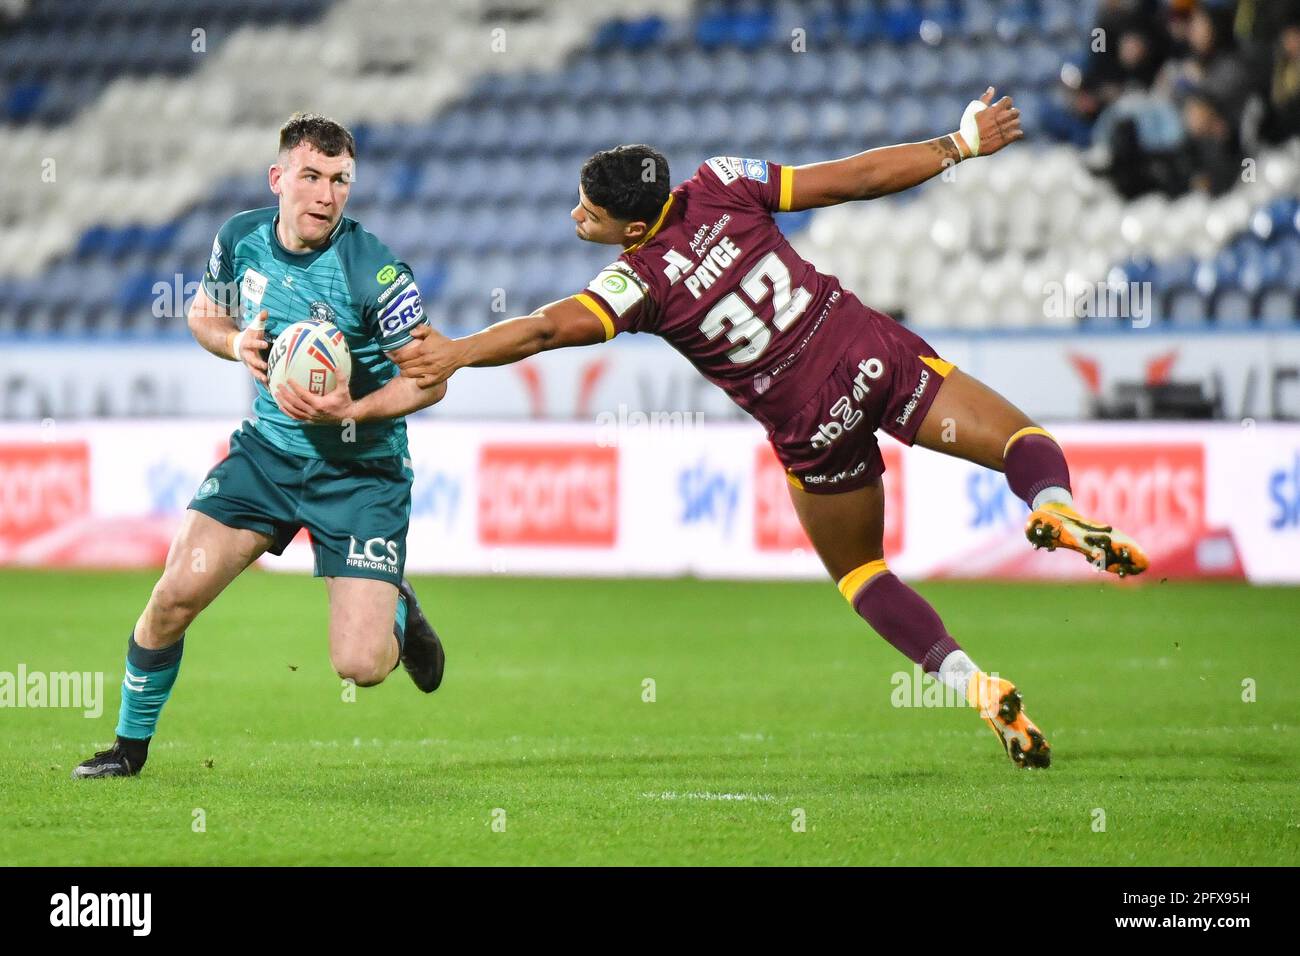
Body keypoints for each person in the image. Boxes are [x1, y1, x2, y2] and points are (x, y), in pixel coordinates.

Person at [394, 89, 1151, 769]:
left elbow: (540, 331)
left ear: (630, 225)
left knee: (862, 573)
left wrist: (459, 352)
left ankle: (973, 683)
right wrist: (959, 144)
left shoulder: (636, 282)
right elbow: (855, 179)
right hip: (865, 354)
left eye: (586, 211)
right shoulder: (724, 180)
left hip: (807, 423)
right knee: (1025, 442)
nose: (574, 217)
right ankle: (1053, 505)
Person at [73, 113, 448, 779]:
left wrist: (353, 408)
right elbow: (205, 313)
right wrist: (233, 343)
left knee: (360, 667)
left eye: (340, 180)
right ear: (278, 179)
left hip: (360, 472)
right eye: (311, 177)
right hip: (267, 458)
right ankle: (127, 752)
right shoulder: (240, 238)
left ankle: (396, 603)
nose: (326, 195)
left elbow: (429, 377)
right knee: (173, 596)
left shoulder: (374, 270)